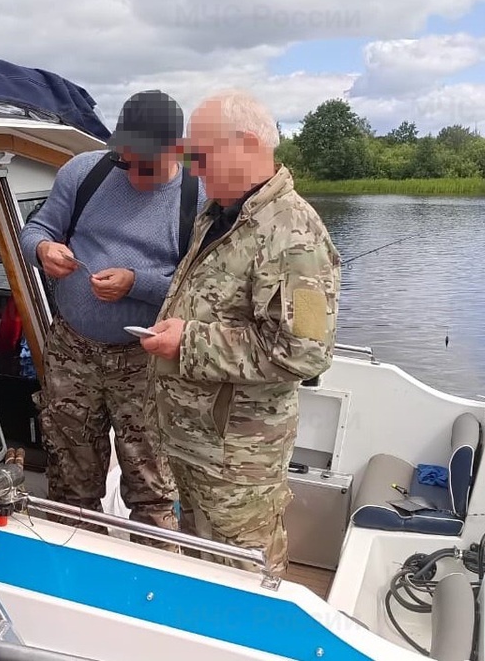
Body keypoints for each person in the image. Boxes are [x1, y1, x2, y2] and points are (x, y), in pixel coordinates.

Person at [140, 89, 341, 577]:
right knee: (201, 567)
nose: (193, 169)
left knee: (241, 574)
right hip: (195, 443)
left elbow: (305, 352)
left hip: (237, 460)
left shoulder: (295, 234)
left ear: (247, 144)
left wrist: (187, 342)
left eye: (201, 155)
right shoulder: (219, 214)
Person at [19, 90, 205, 538]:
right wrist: (43, 250)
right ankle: (74, 562)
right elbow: (36, 229)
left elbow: (201, 289)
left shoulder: (199, 198)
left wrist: (135, 283)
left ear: (177, 150)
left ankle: (151, 570)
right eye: (126, 162)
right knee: (70, 480)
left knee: (152, 488)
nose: (135, 174)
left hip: (146, 363)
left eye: (147, 166)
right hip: (71, 352)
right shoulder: (83, 171)